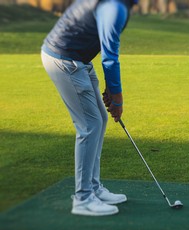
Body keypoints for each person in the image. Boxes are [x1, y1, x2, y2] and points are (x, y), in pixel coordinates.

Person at [41, 0, 137, 216]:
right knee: (89, 125)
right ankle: (83, 198)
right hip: (64, 59)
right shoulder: (114, 7)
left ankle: (93, 188)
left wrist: (111, 90)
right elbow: (110, 57)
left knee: (100, 119)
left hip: (79, 59)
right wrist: (118, 99)